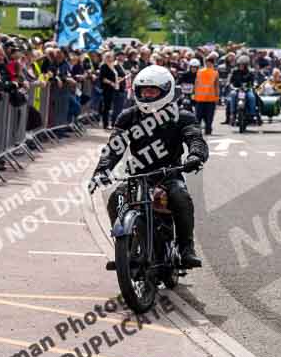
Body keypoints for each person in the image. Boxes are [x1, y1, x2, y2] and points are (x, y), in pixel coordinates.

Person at [89, 65, 209, 270]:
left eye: (152, 91)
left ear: (166, 91)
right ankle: (124, 246)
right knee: (115, 200)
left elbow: (195, 139)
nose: (147, 95)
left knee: (181, 197)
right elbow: (114, 147)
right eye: (144, 91)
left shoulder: (183, 116)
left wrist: (195, 155)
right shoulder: (128, 117)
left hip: (169, 173)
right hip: (138, 175)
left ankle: (186, 248)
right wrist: (102, 170)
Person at [193, 55, 220, 135]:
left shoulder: (200, 72)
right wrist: (217, 97)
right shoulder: (215, 73)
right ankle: (207, 130)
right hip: (208, 99)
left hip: (203, 99)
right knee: (208, 117)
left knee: (199, 117)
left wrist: (193, 94)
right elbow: (217, 86)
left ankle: (198, 131)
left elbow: (196, 83)